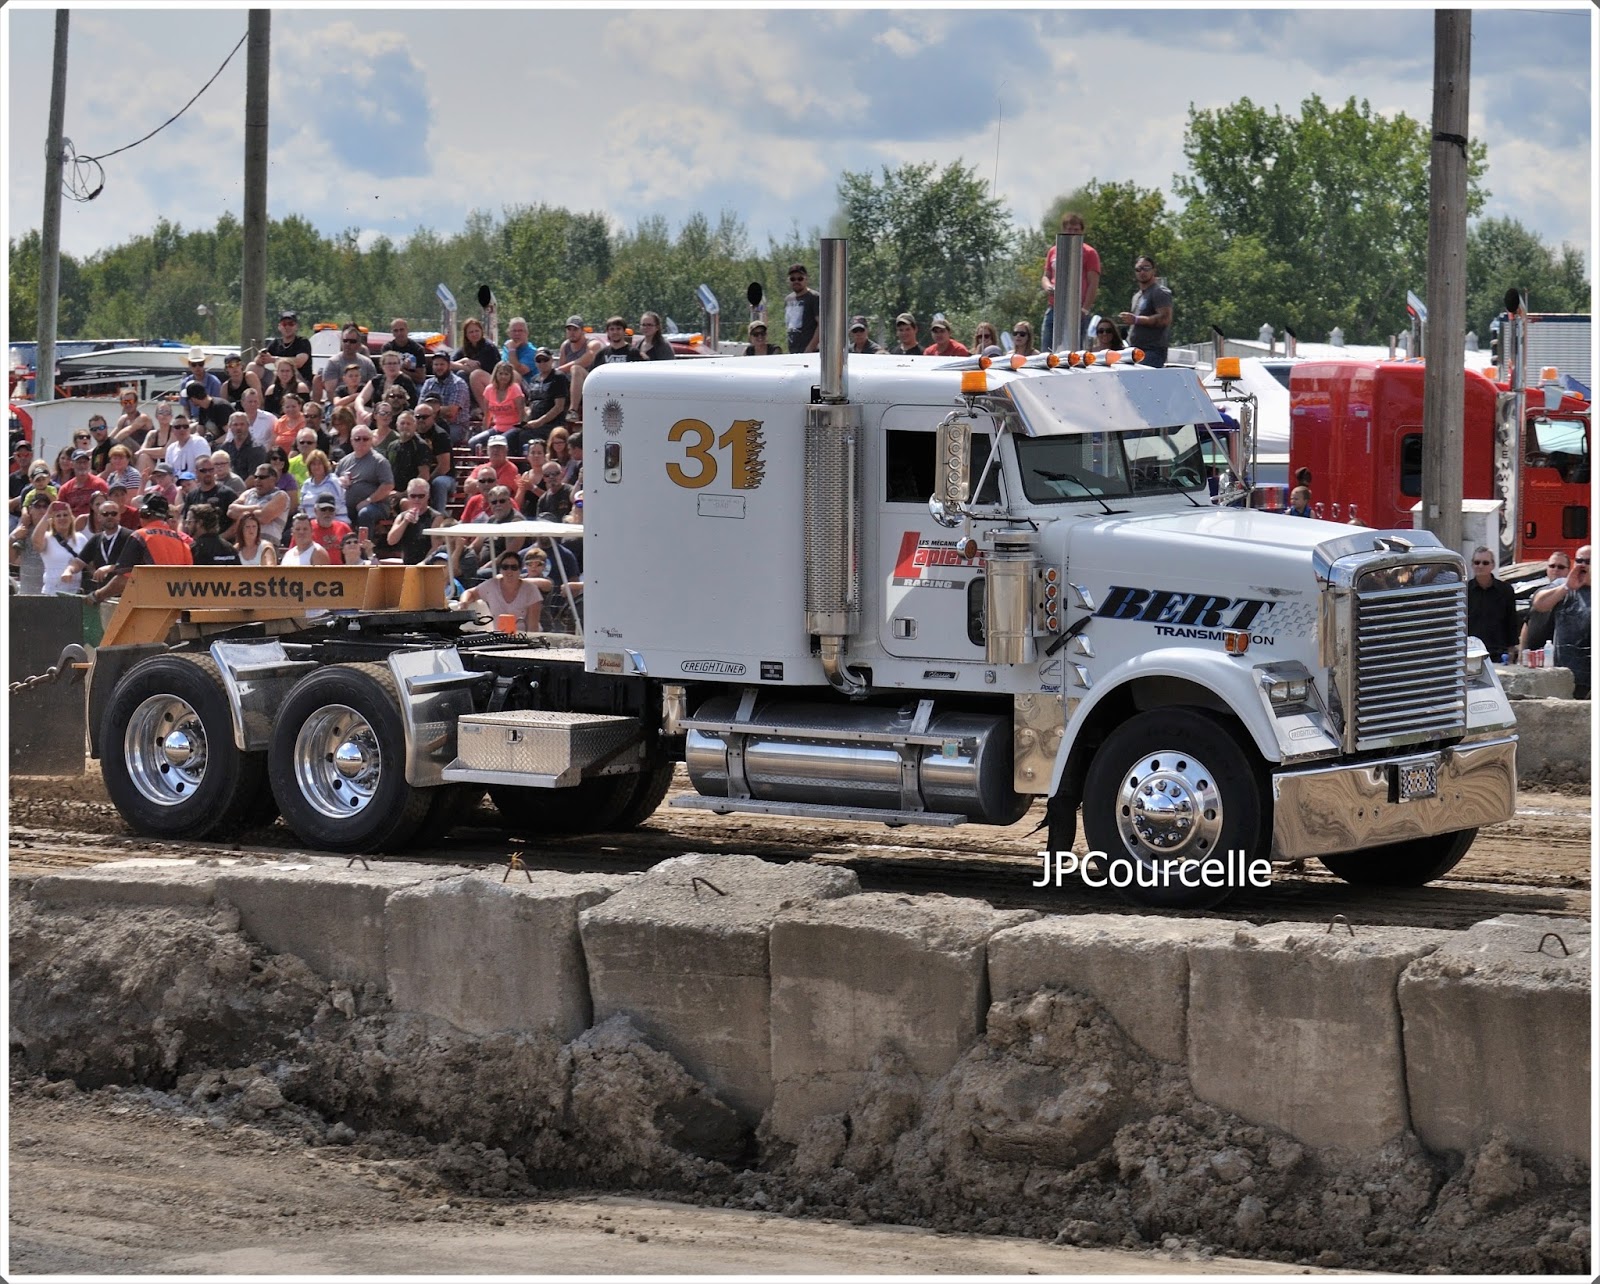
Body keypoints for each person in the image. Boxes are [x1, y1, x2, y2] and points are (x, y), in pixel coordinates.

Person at [1531, 545, 1590, 698]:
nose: (1582, 565)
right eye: (1579, 560)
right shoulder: (1563, 584)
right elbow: (1539, 604)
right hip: (1566, 675)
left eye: (1588, 561)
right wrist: (1566, 587)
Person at [1041, 211, 1102, 349]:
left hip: (1077, 309)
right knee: (1047, 349)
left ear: (1082, 231)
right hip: (1054, 308)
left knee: (1075, 351)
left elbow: (1093, 283)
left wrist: (1085, 309)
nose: (1072, 232)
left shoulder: (1089, 253)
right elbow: (1046, 275)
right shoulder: (1053, 251)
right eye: (1069, 229)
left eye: (1076, 230)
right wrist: (1048, 286)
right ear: (1063, 230)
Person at [460, 551, 550, 633]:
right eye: (505, 567)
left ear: (520, 569)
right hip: (499, 637)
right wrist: (464, 603)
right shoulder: (491, 585)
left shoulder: (531, 590)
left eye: (514, 567)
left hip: (523, 638)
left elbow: (533, 627)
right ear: (500, 569)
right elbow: (470, 593)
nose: (509, 571)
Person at [66, 501, 133, 605]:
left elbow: (135, 565)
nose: (110, 516)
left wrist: (110, 567)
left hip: (126, 596)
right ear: (99, 517)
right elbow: (79, 561)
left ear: (119, 516)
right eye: (105, 514)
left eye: (114, 513)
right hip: (103, 597)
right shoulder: (96, 539)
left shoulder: (130, 536)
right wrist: (69, 571)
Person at [335, 425, 396, 532]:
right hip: (348, 506)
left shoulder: (379, 461)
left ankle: (365, 546)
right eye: (357, 439)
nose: (361, 441)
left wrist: (368, 500)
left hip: (376, 505)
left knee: (365, 513)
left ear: (371, 440)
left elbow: (388, 485)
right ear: (351, 441)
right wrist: (339, 482)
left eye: (365, 439)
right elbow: (333, 483)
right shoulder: (344, 462)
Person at [1466, 546, 1519, 662]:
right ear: (1472, 565)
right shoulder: (1464, 591)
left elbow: (1512, 621)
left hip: (1499, 652)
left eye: (1485, 563)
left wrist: (1511, 649)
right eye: (1477, 562)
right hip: (1471, 652)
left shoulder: (1506, 590)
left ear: (1493, 565)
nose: (1480, 566)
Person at [1120, 256, 1173, 368]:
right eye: (1138, 269)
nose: (1142, 272)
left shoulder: (1159, 292)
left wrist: (1137, 319)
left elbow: (1165, 319)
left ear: (1154, 270)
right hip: (1133, 350)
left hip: (1152, 351)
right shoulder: (1136, 296)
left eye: (1146, 268)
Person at [116, 493, 194, 570]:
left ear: (144, 514)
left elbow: (124, 576)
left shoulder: (140, 536)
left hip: (149, 582)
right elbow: (188, 571)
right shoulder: (180, 540)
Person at [418, 349, 473, 444]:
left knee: (438, 437)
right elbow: (419, 408)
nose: (439, 367)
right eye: (436, 364)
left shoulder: (458, 384)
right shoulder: (428, 383)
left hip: (456, 426)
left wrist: (428, 410)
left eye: (442, 364)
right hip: (430, 423)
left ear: (449, 366)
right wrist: (436, 410)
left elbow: (451, 413)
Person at [228, 464, 291, 546]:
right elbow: (231, 511)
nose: (257, 480)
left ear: (273, 479)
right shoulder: (249, 493)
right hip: (244, 545)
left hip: (267, 545)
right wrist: (257, 508)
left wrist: (243, 513)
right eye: (256, 477)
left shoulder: (281, 496)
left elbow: (263, 517)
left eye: (262, 477)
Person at [32, 500, 85, 595]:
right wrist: (47, 514)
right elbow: (36, 541)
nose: (62, 518)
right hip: (51, 592)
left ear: (71, 519)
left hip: (75, 592)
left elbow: (89, 561)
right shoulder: (47, 538)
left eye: (65, 515)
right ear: (53, 521)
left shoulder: (80, 538)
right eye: (58, 516)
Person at [520, 349, 570, 447]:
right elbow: (531, 405)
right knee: (513, 433)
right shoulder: (534, 379)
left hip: (552, 424)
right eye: (539, 360)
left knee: (524, 436)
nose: (542, 363)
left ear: (551, 360)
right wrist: (525, 422)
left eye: (545, 360)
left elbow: (559, 407)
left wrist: (539, 422)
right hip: (534, 422)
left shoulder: (559, 377)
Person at [384, 480, 442, 565]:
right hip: (407, 564)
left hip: (427, 566)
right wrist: (405, 522)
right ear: (408, 496)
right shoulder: (402, 516)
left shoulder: (435, 517)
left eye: (421, 496)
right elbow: (391, 540)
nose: (417, 499)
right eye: (413, 496)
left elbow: (436, 547)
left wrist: (423, 564)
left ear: (428, 496)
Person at [472, 362, 526, 448]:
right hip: (497, 428)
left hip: (513, 428)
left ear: (510, 376)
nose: (503, 377)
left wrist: (519, 430)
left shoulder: (515, 389)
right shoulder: (489, 390)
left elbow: (521, 413)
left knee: (500, 442)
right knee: (474, 442)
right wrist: (485, 431)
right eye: (500, 373)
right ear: (495, 374)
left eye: (506, 374)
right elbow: (487, 416)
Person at [316, 326, 376, 403]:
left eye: (352, 341)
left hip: (362, 403)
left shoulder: (367, 363)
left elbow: (373, 388)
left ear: (359, 344)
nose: (348, 344)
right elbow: (331, 392)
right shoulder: (333, 362)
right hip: (337, 404)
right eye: (345, 340)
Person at [254, 310, 313, 387]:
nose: (287, 327)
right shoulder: (275, 343)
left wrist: (273, 360)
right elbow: (257, 360)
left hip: (299, 380)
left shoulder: (303, 342)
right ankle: (256, 397)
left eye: (291, 324)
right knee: (253, 366)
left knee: (286, 369)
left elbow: (299, 363)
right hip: (278, 379)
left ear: (296, 327)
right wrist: (261, 358)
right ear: (279, 327)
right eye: (284, 324)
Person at [556, 315, 601, 415]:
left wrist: (558, 369)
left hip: (589, 384)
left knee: (576, 369)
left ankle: (573, 411)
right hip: (569, 385)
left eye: (575, 329)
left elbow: (587, 359)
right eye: (569, 329)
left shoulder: (592, 344)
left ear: (582, 330)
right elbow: (561, 372)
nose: (572, 332)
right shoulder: (565, 346)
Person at [453, 317, 500, 410]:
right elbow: (450, 363)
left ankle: (473, 407)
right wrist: (465, 360)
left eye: (477, 331)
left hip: (491, 381)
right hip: (475, 383)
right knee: (456, 375)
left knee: (463, 374)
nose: (474, 334)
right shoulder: (465, 349)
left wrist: (456, 365)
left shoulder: (488, 347)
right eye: (471, 332)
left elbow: (474, 369)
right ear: (466, 335)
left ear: (481, 331)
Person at [183, 453, 239, 522]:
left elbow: (238, 520)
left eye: (210, 470)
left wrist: (225, 533)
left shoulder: (227, 493)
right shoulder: (191, 496)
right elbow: (183, 520)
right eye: (203, 470)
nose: (208, 473)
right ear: (196, 472)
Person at [58, 450, 110, 525]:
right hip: (73, 526)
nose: (82, 466)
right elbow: (60, 511)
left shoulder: (99, 484)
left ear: (89, 464)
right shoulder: (65, 489)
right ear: (72, 464)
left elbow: (107, 507)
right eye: (79, 462)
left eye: (84, 462)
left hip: (95, 525)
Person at [784, 264, 820, 354]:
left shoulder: (814, 297)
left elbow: (822, 326)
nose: (796, 281)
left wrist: (810, 348)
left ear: (806, 279)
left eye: (800, 278)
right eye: (792, 279)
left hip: (810, 352)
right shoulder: (788, 299)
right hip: (793, 351)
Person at [500, 316, 537, 388]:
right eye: (514, 331)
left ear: (527, 333)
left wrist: (512, 350)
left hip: (527, 388)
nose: (517, 333)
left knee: (513, 374)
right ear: (509, 333)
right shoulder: (507, 346)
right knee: (477, 375)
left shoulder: (532, 352)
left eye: (520, 331)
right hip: (505, 384)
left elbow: (519, 370)